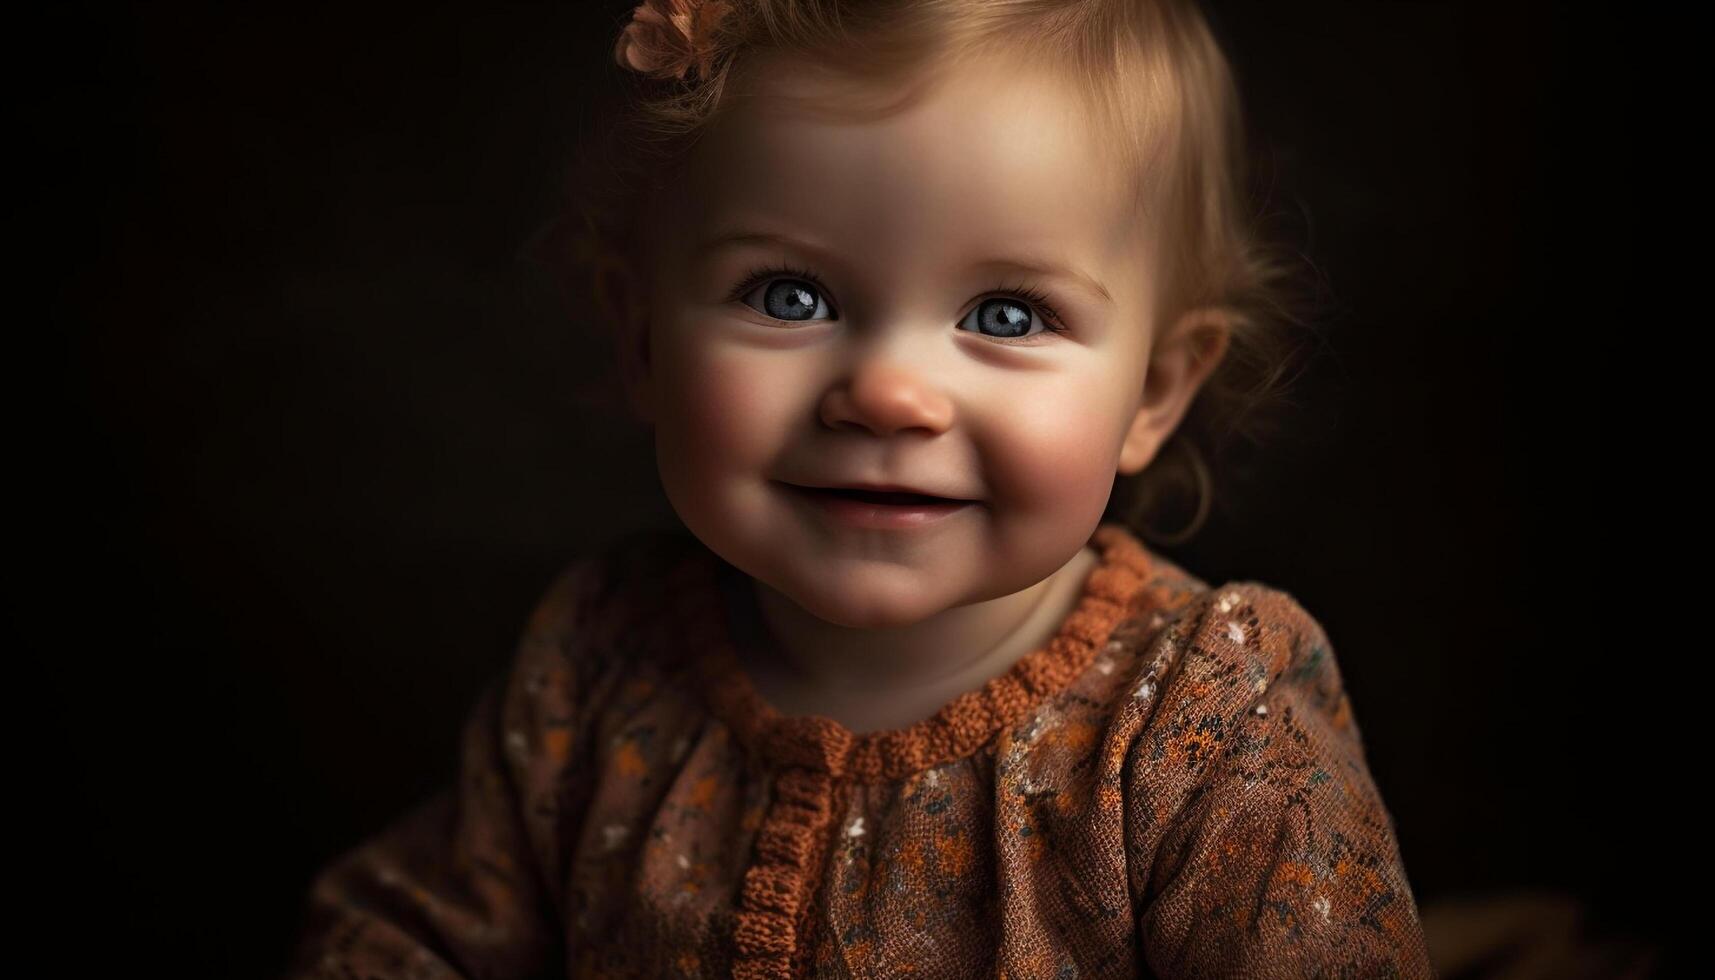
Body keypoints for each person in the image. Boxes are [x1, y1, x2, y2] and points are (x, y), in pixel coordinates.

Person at [283, 0, 1435, 976]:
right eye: (788, 295)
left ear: (1153, 391)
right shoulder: (596, 666)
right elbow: (407, 935)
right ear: (641, 340)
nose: (887, 393)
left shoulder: (1199, 727)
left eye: (1006, 314)